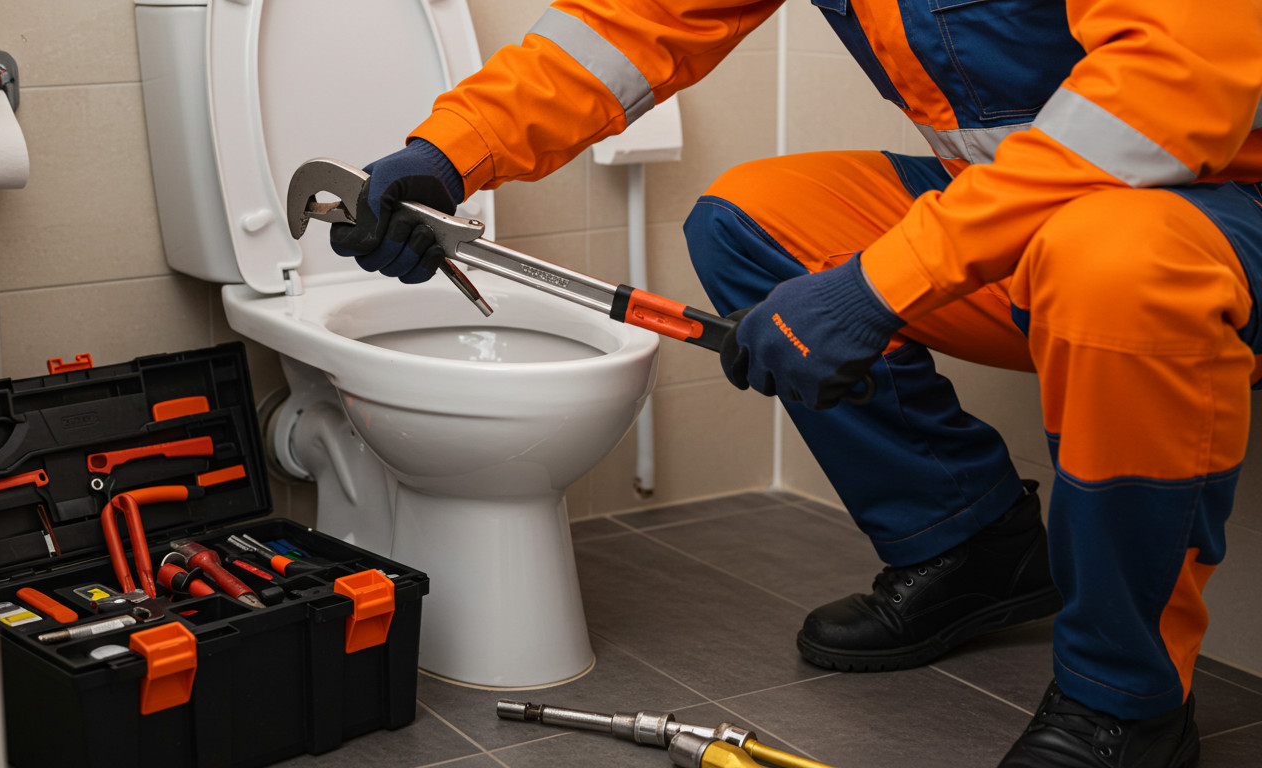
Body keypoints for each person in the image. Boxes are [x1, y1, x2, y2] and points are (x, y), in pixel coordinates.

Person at [328, 2, 1262, 765]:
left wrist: (879, 285)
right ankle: (972, 543)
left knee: (1113, 266)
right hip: (1035, 221)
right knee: (747, 225)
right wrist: (451, 154)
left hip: (1214, 214)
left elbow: (1161, 94)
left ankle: (1126, 699)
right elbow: (631, 25)